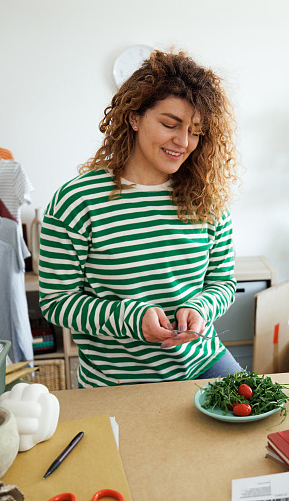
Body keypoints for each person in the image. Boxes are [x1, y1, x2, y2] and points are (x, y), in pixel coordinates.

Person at [39, 50, 241, 386]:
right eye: (169, 124)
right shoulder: (77, 201)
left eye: (195, 130)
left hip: (203, 363)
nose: (184, 142)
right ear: (134, 118)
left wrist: (202, 308)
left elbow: (223, 283)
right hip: (118, 380)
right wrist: (132, 318)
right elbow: (57, 302)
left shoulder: (206, 198)